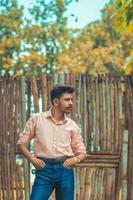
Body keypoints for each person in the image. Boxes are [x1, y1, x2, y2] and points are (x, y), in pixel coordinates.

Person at [17, 84, 87, 200]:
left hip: (65, 171)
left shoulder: (73, 126)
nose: (71, 103)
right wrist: (33, 160)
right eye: (67, 100)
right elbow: (21, 144)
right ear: (55, 101)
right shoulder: (37, 119)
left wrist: (75, 159)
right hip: (44, 170)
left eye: (71, 100)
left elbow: (82, 152)